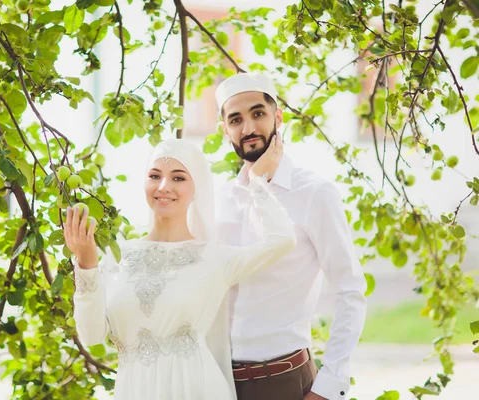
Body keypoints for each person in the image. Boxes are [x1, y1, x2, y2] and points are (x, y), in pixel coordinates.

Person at [64, 137, 296, 400]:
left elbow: (282, 240)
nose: (164, 186)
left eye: (178, 178)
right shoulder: (117, 255)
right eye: (154, 175)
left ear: (197, 188)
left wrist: (256, 181)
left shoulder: (214, 257)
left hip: (195, 389)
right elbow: (91, 335)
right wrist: (85, 264)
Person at [215, 72, 367, 400]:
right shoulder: (221, 199)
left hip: (284, 381)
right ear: (224, 129)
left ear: (278, 117)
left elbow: (350, 290)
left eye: (258, 114)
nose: (249, 129)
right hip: (219, 383)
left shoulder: (314, 193)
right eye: (236, 119)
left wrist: (329, 386)